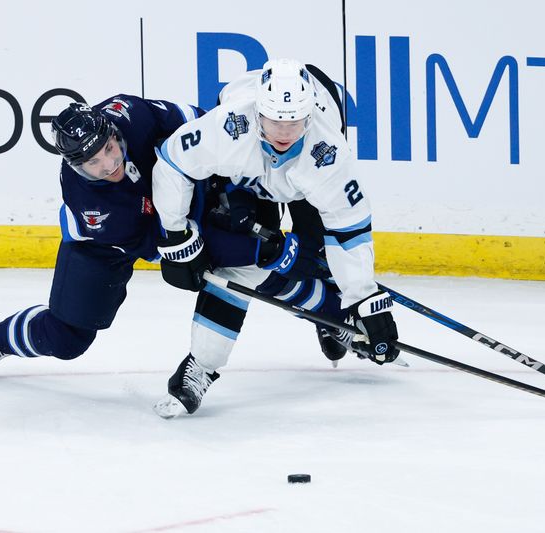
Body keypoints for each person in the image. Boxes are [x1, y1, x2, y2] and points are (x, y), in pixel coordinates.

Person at [151, 58, 401, 418]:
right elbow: (173, 164)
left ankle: (333, 317)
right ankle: (201, 367)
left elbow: (349, 230)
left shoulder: (328, 154)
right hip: (246, 176)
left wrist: (363, 300)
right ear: (257, 113)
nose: (284, 132)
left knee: (315, 258)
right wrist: (176, 235)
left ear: (309, 118)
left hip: (302, 184)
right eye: (274, 121)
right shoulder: (228, 128)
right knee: (241, 264)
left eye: (294, 122)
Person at [0, 95, 204, 380]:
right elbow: (152, 244)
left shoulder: (129, 114)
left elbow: (201, 125)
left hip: (161, 202)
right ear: (77, 166)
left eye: (108, 148)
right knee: (67, 339)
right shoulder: (90, 203)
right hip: (100, 248)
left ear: (113, 131)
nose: (109, 164)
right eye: (94, 162)